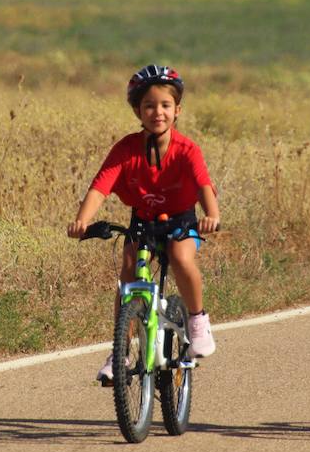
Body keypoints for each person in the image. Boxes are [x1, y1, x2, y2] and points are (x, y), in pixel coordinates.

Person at [68, 65, 221, 384]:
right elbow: (100, 186)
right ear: (137, 110)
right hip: (143, 223)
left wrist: (211, 214)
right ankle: (121, 350)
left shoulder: (187, 149)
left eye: (165, 105)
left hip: (181, 221)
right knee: (128, 272)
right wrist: (83, 220)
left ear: (177, 109)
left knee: (180, 258)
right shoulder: (126, 149)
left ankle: (197, 320)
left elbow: (203, 185)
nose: (157, 112)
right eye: (149, 106)